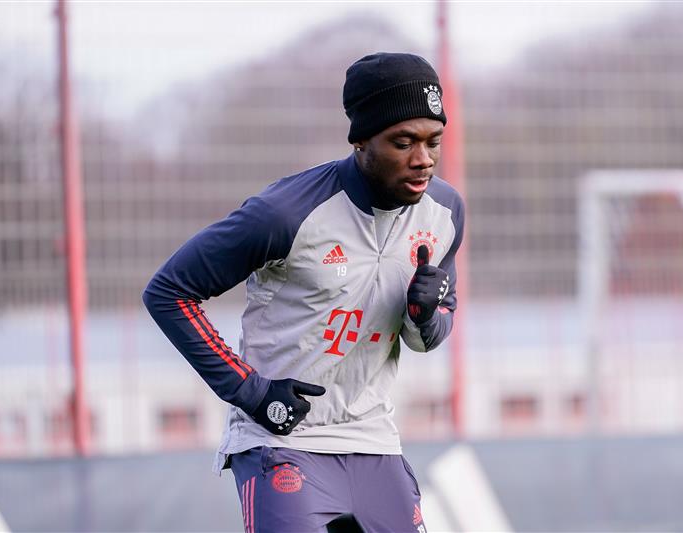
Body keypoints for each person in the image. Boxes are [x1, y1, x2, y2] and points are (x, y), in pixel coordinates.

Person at [143, 52, 464, 533]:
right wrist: (251, 392)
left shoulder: (445, 211)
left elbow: (429, 336)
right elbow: (169, 292)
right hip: (282, 439)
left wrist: (425, 314)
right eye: (403, 142)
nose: (423, 159)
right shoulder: (285, 213)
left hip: (373, 438)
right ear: (360, 140)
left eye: (433, 141)